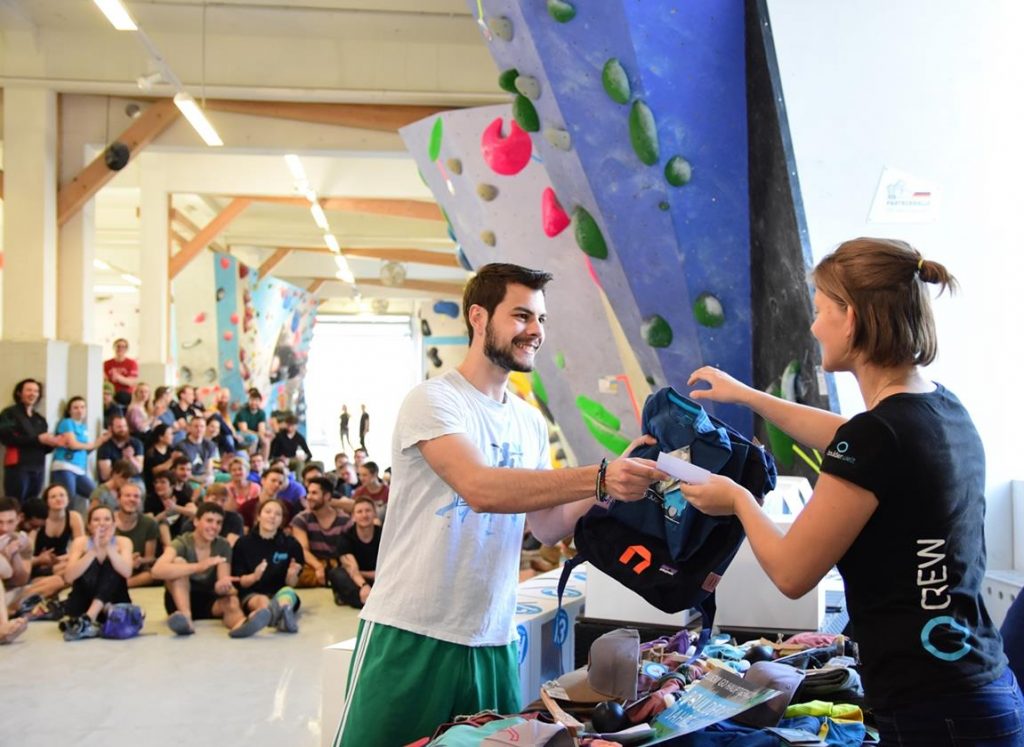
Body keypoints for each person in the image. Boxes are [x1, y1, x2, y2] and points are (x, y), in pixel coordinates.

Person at [676, 238, 1022, 745]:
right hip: (982, 691)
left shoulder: (880, 435)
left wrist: (739, 500)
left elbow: (793, 574)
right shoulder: (942, 409)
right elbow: (852, 438)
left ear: (852, 318)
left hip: (938, 711)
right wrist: (748, 396)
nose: (813, 327)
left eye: (820, 310)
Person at [333, 263, 663, 747]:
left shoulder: (529, 424)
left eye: (541, 320)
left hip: (492, 639)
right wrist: (596, 476)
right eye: (521, 316)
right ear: (479, 318)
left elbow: (547, 528)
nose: (535, 331)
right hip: (412, 631)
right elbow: (481, 489)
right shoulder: (433, 401)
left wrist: (609, 484)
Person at [152, 502, 271, 638]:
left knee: (231, 601)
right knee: (179, 563)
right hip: (179, 602)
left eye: (218, 523)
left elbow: (222, 580)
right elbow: (156, 570)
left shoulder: (222, 545)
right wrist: (198, 567)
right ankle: (186, 619)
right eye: (209, 521)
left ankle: (242, 624)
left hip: (208, 600)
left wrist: (223, 586)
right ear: (196, 521)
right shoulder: (181, 542)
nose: (214, 527)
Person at [59, 504, 134, 641]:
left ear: (113, 523)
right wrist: (92, 551)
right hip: (83, 603)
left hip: (113, 603)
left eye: (106, 519)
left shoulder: (123, 542)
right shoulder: (80, 542)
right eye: (96, 520)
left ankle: (89, 618)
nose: (102, 524)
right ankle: (89, 618)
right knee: (90, 562)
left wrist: (109, 548)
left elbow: (127, 572)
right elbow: (68, 577)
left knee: (112, 563)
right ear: (89, 525)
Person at [231, 499, 304, 634]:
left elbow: (291, 583)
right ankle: (273, 616)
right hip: (252, 592)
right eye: (268, 512)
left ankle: (283, 613)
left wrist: (291, 575)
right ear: (259, 516)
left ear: (282, 520)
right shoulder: (243, 544)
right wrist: (254, 576)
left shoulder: (291, 544)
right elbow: (240, 582)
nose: (272, 516)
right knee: (262, 602)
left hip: (279, 591)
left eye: (277, 514)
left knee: (287, 595)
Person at [0, 379, 63, 500]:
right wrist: (38, 439)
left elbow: (43, 448)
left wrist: (54, 443)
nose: (33, 394)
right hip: (18, 466)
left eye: (36, 391)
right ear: (19, 393)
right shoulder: (9, 413)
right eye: (29, 390)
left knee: (33, 504)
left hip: (38, 467)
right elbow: (6, 438)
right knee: (15, 502)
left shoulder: (39, 419)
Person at [23, 484, 84, 607]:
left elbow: (81, 547)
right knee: (71, 572)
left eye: (62, 495)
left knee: (78, 566)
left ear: (68, 498)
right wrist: (41, 560)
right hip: (39, 565)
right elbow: (27, 556)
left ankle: (50, 586)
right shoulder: (40, 519)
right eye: (53, 496)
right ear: (46, 502)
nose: (59, 499)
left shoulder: (74, 517)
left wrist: (61, 559)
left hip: (62, 561)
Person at [50, 396, 111, 514]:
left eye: (82, 407)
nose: (80, 410)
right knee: (68, 501)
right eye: (75, 407)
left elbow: (83, 449)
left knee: (97, 495)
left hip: (79, 469)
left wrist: (100, 441)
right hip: (65, 466)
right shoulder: (67, 422)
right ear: (69, 410)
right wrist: (94, 443)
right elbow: (73, 445)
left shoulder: (83, 428)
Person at [290, 476, 350, 588]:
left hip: (337, 563)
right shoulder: (301, 519)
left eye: (314, 493)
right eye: (308, 493)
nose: (309, 497)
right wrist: (318, 567)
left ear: (327, 496)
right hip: (312, 564)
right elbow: (303, 550)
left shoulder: (344, 520)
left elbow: (347, 553)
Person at [331, 496, 380, 609]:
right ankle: (372, 599)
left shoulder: (383, 535)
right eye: (359, 511)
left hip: (380, 577)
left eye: (368, 511)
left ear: (375, 514)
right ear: (353, 516)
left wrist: (375, 575)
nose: (364, 515)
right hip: (356, 578)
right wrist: (364, 585)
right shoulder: (345, 537)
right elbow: (352, 569)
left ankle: (367, 599)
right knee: (337, 574)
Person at [113, 482, 159, 588]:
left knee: (152, 574)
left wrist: (140, 560)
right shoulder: (108, 520)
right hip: (112, 566)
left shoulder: (149, 523)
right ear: (118, 499)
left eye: (136, 496)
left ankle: (121, 586)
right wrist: (126, 560)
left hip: (137, 571)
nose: (132, 499)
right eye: (127, 495)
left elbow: (150, 557)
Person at [0, 497, 33, 615]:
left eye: (10, 522)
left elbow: (21, 581)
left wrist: (14, 555)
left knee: (28, 589)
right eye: (0, 522)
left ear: (19, 519)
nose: (4, 528)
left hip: (8, 590)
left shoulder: (22, 541)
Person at [96, 415, 143, 483]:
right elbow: (105, 476)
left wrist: (131, 458)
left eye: (125, 426)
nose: (123, 429)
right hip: (114, 482)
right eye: (119, 427)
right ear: (110, 428)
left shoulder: (136, 443)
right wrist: (123, 460)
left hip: (134, 480)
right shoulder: (105, 447)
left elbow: (139, 469)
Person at [174, 415, 216, 487]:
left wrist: (208, 478)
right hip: (189, 479)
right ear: (190, 428)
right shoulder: (181, 446)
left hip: (204, 477)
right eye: (196, 426)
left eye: (202, 426)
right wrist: (199, 480)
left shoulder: (210, 444)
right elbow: (182, 472)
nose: (199, 429)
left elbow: (209, 469)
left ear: (205, 428)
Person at [103, 338, 139, 408]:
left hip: (125, 394)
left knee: (121, 396)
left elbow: (131, 382)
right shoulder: (106, 363)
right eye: (118, 346)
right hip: (110, 393)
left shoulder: (132, 363)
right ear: (114, 348)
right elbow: (105, 380)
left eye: (123, 347)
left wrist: (118, 377)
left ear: (126, 349)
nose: (120, 348)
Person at [143, 423, 176, 497]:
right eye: (170, 434)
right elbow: (156, 471)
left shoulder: (171, 450)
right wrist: (172, 460)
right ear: (161, 437)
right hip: (153, 484)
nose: (172, 437)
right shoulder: (151, 452)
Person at [233, 387, 267, 457]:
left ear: (260, 402)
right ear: (248, 400)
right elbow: (244, 430)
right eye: (252, 400)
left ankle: (264, 462)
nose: (254, 403)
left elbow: (262, 429)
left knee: (266, 441)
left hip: (254, 433)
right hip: (239, 433)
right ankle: (251, 458)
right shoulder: (242, 411)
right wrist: (258, 434)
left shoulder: (261, 413)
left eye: (256, 400)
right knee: (254, 438)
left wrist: (261, 434)